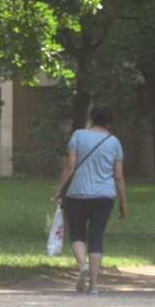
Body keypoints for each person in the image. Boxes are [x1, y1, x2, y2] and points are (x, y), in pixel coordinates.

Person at [53, 103, 127, 295]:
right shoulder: (114, 142)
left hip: (78, 193)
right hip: (105, 195)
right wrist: (123, 201)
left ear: (91, 117)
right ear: (109, 121)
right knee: (96, 237)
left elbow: (70, 166)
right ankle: (94, 285)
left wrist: (59, 189)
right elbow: (118, 176)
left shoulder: (78, 135)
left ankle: (82, 265)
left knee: (77, 233)